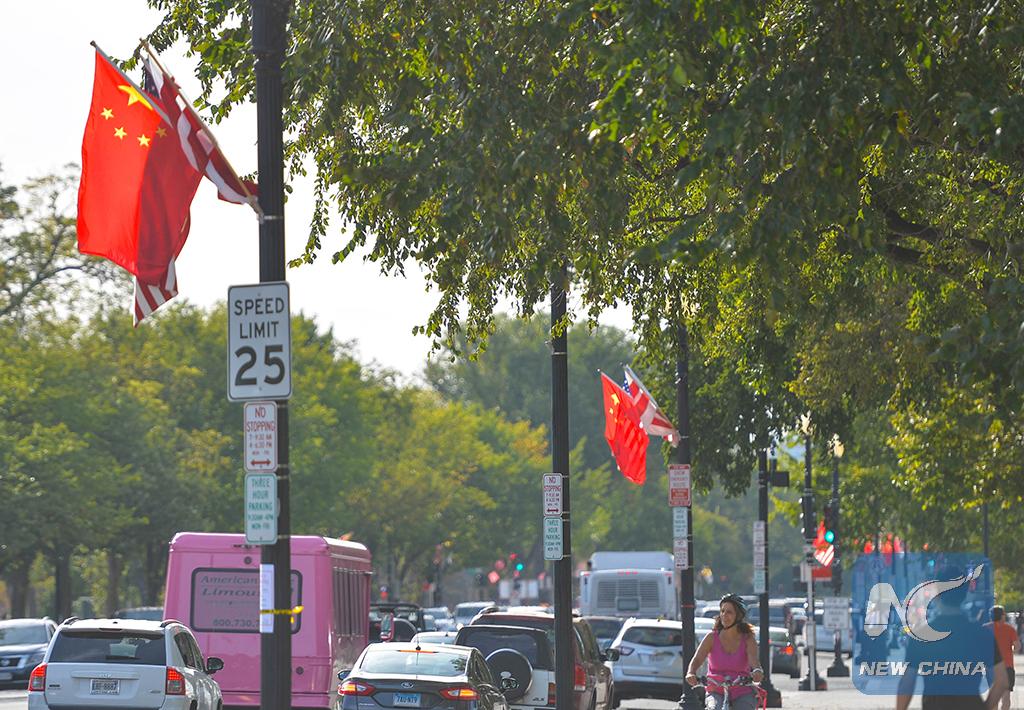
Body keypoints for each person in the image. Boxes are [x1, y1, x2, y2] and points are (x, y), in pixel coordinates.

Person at [896, 567, 1008, 710]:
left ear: (937, 594)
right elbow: (1002, 681)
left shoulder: (921, 636)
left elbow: (907, 683)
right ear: (965, 593)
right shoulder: (982, 634)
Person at [686, 594, 763, 710]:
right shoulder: (711, 637)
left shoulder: (748, 639)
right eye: (722, 611)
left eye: (729, 612)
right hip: (715, 689)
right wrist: (691, 672)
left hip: (742, 690)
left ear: (738, 616)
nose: (724, 615)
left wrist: (757, 671)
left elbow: (754, 661)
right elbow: (697, 658)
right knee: (714, 707)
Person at [985, 606, 1020, 710]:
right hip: (1007, 666)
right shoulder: (1010, 629)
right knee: (1006, 696)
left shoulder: (985, 628)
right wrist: (1011, 649)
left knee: (993, 696)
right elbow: (1017, 646)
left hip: (991, 667)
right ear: (1002, 616)